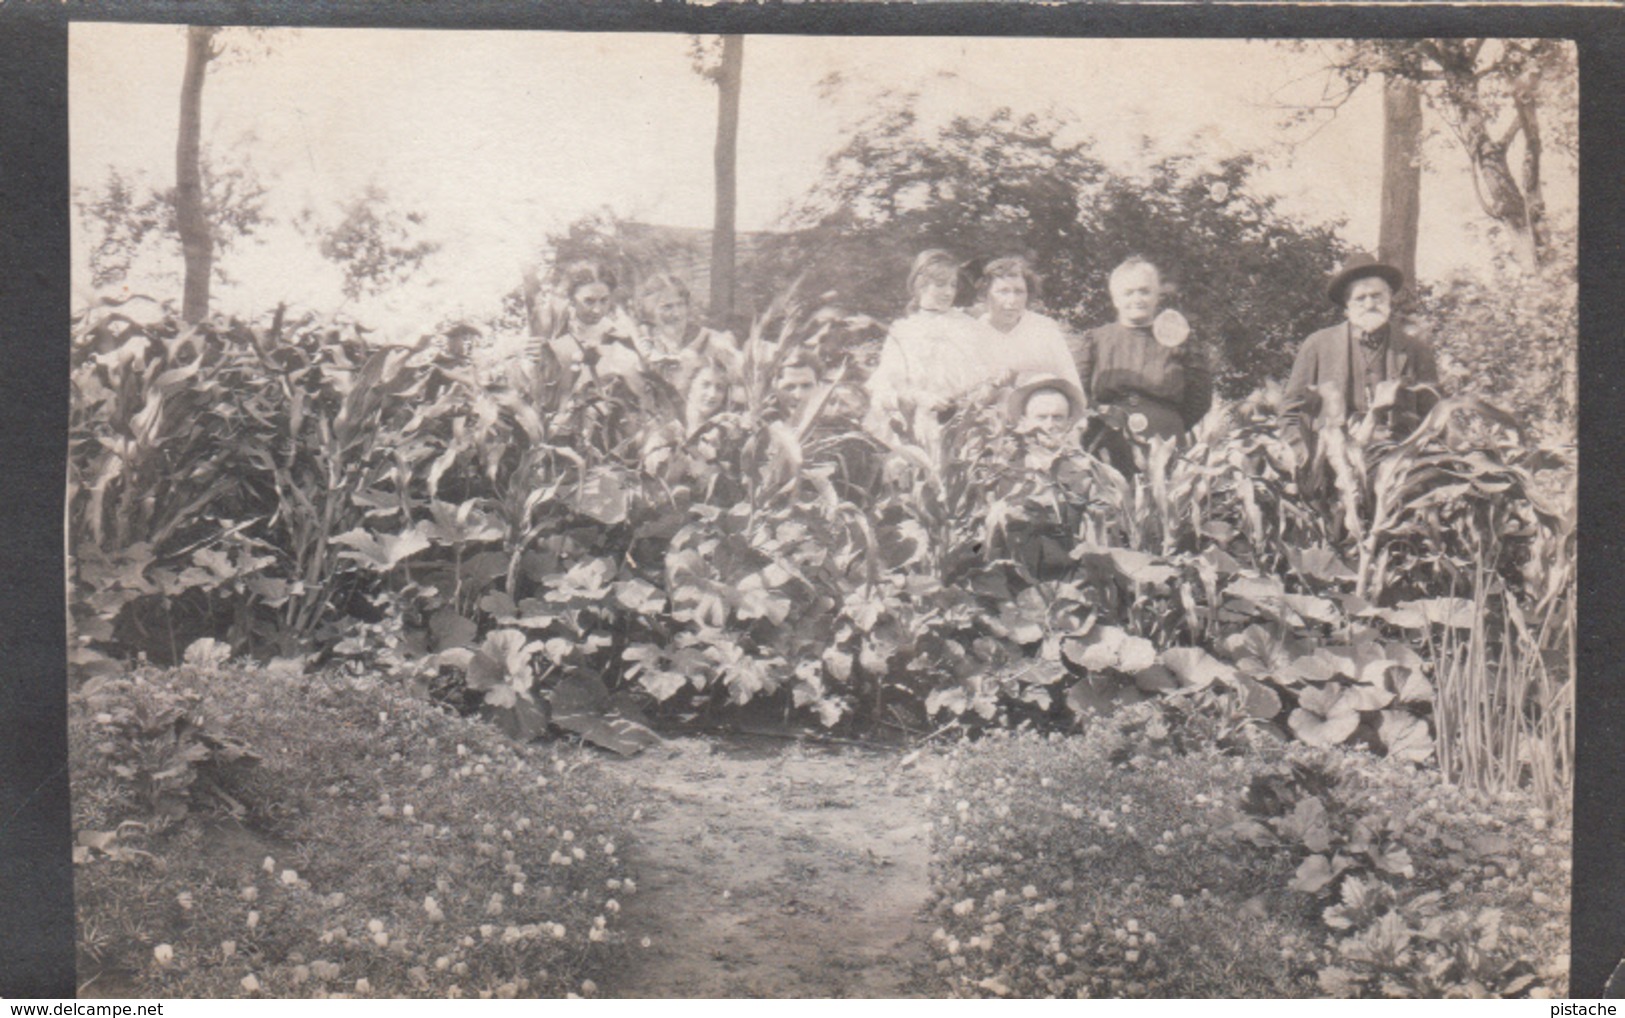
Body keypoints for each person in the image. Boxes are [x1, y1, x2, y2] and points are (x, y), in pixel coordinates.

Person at [1281, 251, 1440, 468]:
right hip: (1332, 466)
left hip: (1398, 466)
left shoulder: (1416, 350)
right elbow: (1291, 414)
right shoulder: (1318, 345)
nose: (1369, 304)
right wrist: (1308, 460)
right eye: (1360, 298)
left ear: (1390, 298)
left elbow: (1434, 418)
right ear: (1347, 306)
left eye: (1376, 296)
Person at [1075, 256, 1212, 448]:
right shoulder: (1095, 340)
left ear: (1157, 296)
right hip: (1107, 436)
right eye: (1128, 293)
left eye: (1145, 292)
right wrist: (1101, 417)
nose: (1137, 299)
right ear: (1115, 299)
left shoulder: (1181, 340)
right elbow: (1077, 392)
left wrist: (1168, 421)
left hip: (1165, 438)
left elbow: (1200, 398)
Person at [865, 249, 996, 428]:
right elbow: (883, 393)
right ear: (921, 286)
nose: (949, 292)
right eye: (941, 285)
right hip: (919, 428)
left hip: (965, 426)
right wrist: (919, 398)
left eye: (953, 285)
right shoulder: (903, 333)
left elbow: (988, 379)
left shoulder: (969, 327)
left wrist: (972, 399)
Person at [976, 257, 1085, 394]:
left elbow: (1072, 385)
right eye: (1003, 291)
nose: (1012, 300)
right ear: (985, 293)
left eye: (1019, 292)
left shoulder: (1044, 329)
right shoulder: (973, 333)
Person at [526, 260, 643, 387]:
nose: (597, 310)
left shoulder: (615, 332)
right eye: (589, 301)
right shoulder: (554, 327)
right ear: (571, 299)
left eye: (604, 300)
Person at [635, 272, 741, 389]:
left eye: (680, 304)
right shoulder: (646, 345)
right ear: (650, 311)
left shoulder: (712, 342)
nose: (677, 313)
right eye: (667, 307)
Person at [1006, 373, 1087, 438]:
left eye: (1057, 418)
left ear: (1069, 423)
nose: (1049, 425)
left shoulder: (1081, 458)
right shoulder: (1008, 457)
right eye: (1041, 418)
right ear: (1023, 421)